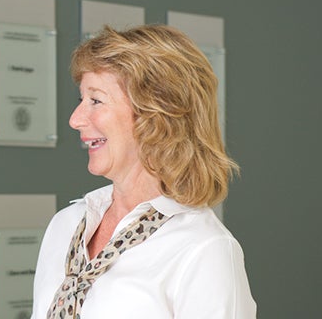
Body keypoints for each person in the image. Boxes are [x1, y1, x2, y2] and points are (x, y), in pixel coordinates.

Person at [31, 25, 256, 319]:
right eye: (80, 100)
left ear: (155, 113)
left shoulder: (205, 250)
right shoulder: (65, 225)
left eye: (96, 100)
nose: (75, 120)